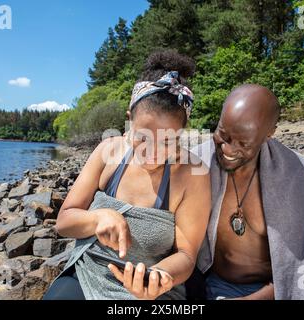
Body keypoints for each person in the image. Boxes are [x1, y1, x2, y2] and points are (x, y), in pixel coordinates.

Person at [43, 50, 211, 300]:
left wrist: (156, 278)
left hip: (156, 289)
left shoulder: (192, 175)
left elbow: (186, 255)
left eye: (167, 142)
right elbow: (64, 222)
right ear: (129, 120)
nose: (152, 153)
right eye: (143, 137)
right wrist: (98, 218)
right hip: (90, 272)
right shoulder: (107, 152)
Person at [190, 84, 304, 300]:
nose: (227, 148)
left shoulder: (302, 179)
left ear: (269, 133)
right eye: (222, 134)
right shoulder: (196, 164)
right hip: (214, 285)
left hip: (278, 293)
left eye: (243, 143)